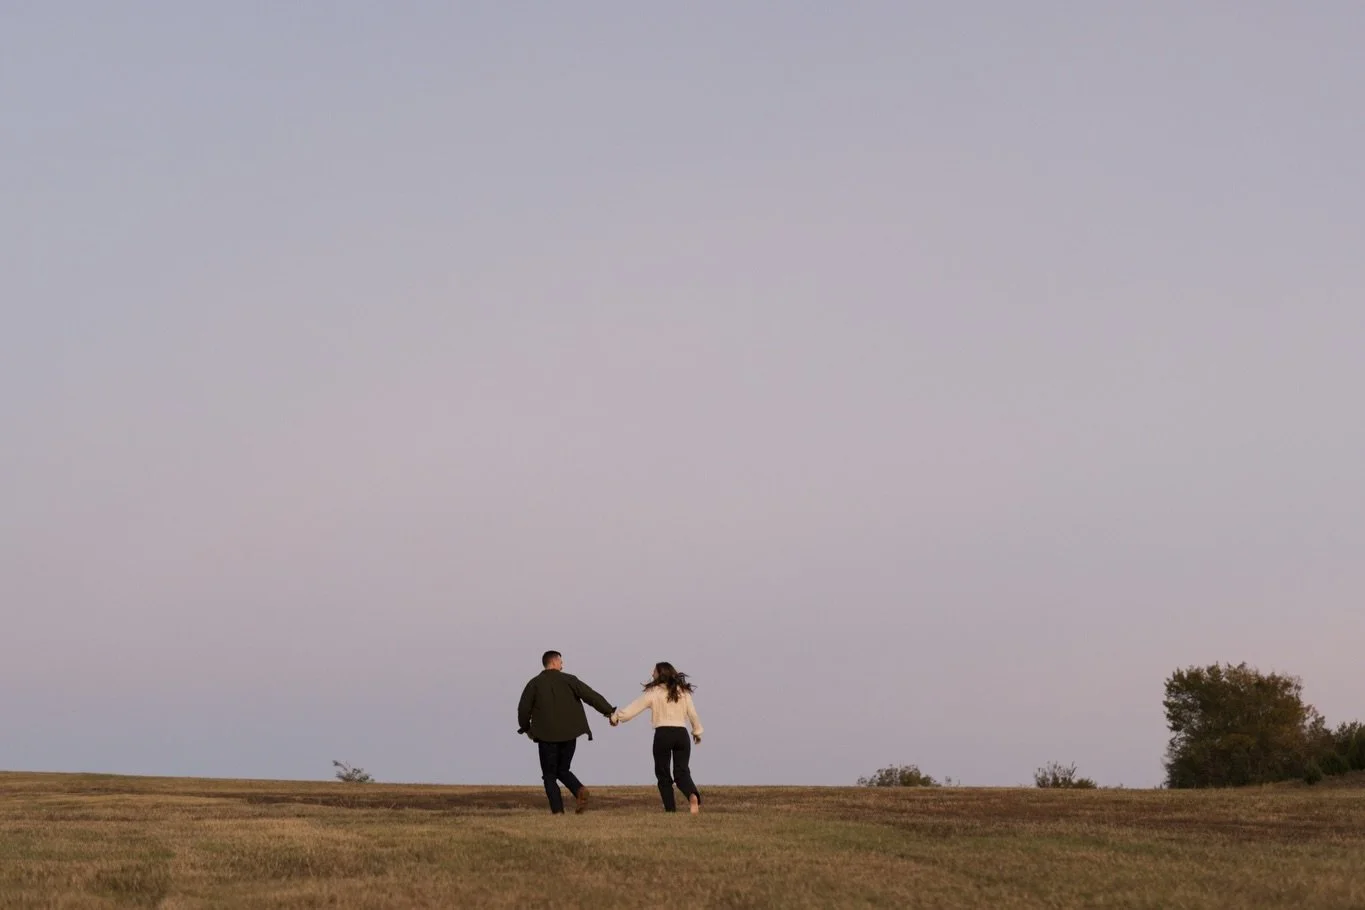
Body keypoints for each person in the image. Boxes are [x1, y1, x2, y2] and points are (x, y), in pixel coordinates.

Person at [517, 650, 617, 814]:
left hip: (546, 735)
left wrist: (526, 728)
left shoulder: (534, 683)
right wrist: (608, 711)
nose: (563, 665)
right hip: (570, 734)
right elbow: (590, 695)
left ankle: (558, 812)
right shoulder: (570, 680)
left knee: (549, 775)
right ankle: (578, 790)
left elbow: (523, 709)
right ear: (554, 662)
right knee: (562, 770)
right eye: (561, 662)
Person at [611, 662, 704, 814]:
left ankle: (670, 810)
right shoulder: (683, 692)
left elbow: (633, 708)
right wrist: (697, 732)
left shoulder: (654, 692)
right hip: (682, 734)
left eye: (654, 670)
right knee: (682, 772)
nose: (651, 673)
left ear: (660, 674)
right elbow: (692, 714)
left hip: (663, 734)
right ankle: (692, 795)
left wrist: (616, 718)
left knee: (663, 774)